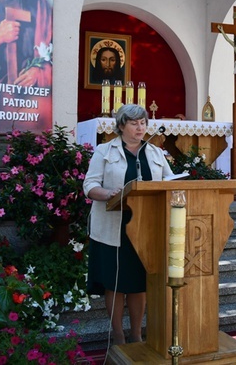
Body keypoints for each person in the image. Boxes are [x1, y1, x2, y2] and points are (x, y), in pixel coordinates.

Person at [83, 104, 174, 344]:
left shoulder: (155, 153)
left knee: (138, 283)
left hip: (145, 228)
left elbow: (169, 182)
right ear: (122, 125)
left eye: (143, 123)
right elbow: (89, 185)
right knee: (115, 283)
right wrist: (108, 193)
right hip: (112, 227)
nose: (140, 127)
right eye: (134, 123)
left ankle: (135, 334)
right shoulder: (105, 151)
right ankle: (118, 334)